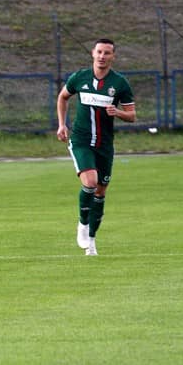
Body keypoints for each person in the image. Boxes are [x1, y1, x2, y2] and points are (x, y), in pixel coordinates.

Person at [56, 38, 135, 256]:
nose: (102, 56)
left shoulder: (119, 83)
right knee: (90, 183)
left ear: (113, 56)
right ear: (93, 53)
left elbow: (132, 115)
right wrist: (62, 124)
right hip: (81, 140)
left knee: (100, 192)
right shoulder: (79, 77)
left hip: (104, 145)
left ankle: (91, 241)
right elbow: (63, 98)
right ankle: (82, 224)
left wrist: (117, 112)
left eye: (107, 53)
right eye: (99, 52)